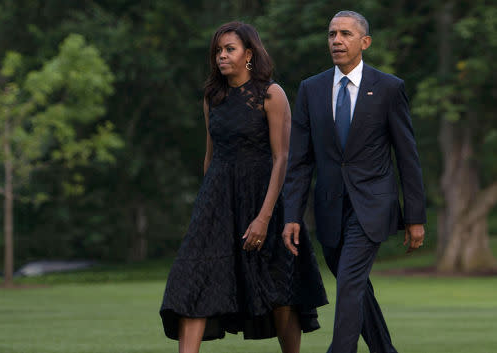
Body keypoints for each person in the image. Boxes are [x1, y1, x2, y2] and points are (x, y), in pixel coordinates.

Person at [160, 21, 328, 353]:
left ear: (248, 54)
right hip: (217, 202)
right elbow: (210, 156)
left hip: (264, 200)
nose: (221, 56)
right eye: (218, 51)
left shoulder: (271, 93)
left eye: (229, 49)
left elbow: (282, 159)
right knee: (191, 281)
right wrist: (207, 207)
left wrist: (264, 219)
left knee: (279, 292)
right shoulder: (212, 97)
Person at [282, 11, 426, 353]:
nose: (336, 40)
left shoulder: (389, 88)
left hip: (373, 205)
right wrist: (291, 214)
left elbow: (407, 156)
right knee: (355, 285)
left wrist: (415, 216)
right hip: (330, 208)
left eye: (345, 33)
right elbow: (300, 162)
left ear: (365, 42)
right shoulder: (310, 89)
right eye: (332, 34)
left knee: (349, 283)